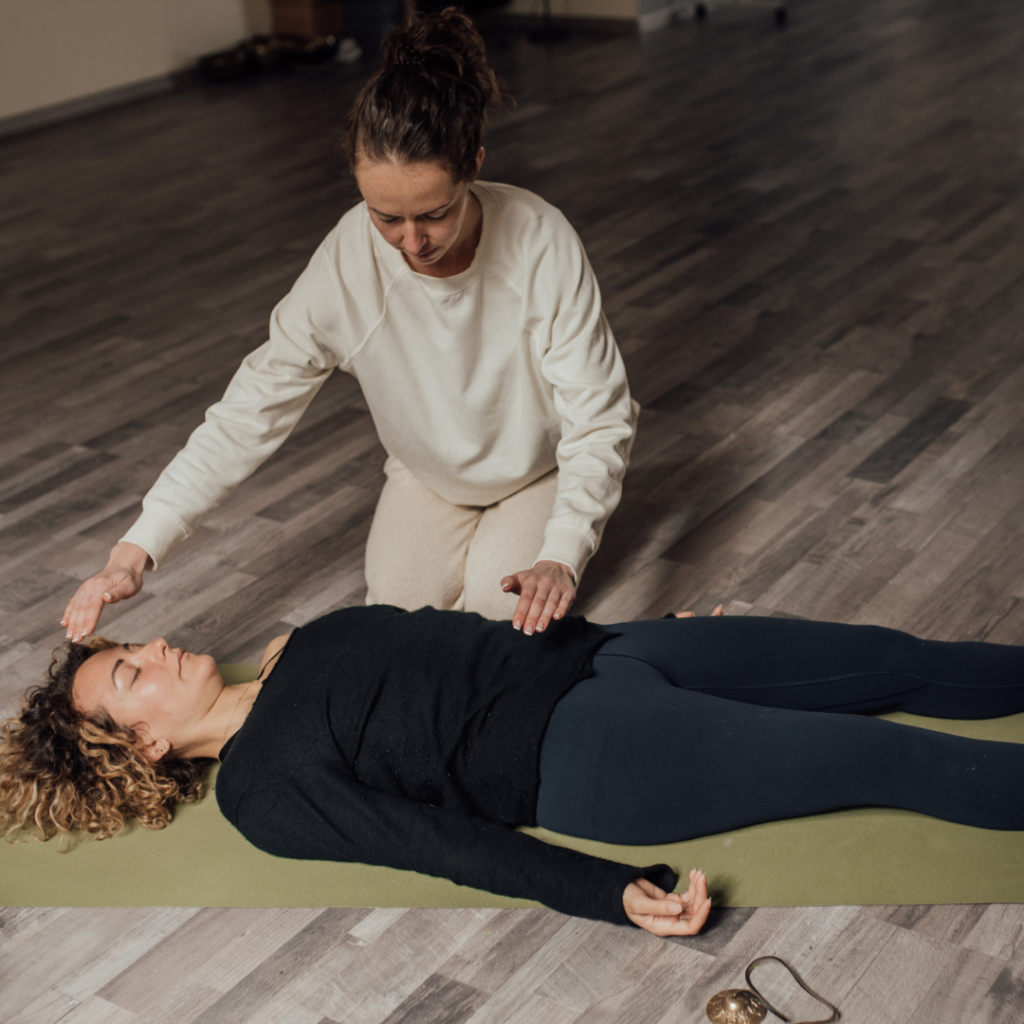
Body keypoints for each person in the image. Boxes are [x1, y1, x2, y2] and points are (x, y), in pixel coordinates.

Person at [59, 8, 638, 646]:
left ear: (472, 164)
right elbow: (252, 407)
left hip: (539, 471)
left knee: (499, 617)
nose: (412, 242)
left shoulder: (541, 239)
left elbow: (599, 416)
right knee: (394, 618)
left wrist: (561, 550)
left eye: (435, 214)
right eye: (385, 216)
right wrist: (137, 547)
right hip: (427, 475)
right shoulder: (346, 261)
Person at [4, 607, 1024, 937]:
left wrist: (642, 630)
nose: (160, 651)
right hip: (592, 758)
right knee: (888, 754)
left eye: (134, 645)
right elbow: (437, 845)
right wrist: (605, 891)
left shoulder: (301, 638)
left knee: (899, 660)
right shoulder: (261, 790)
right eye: (131, 674)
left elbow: (472, 636)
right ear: (137, 745)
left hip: (610, 650)